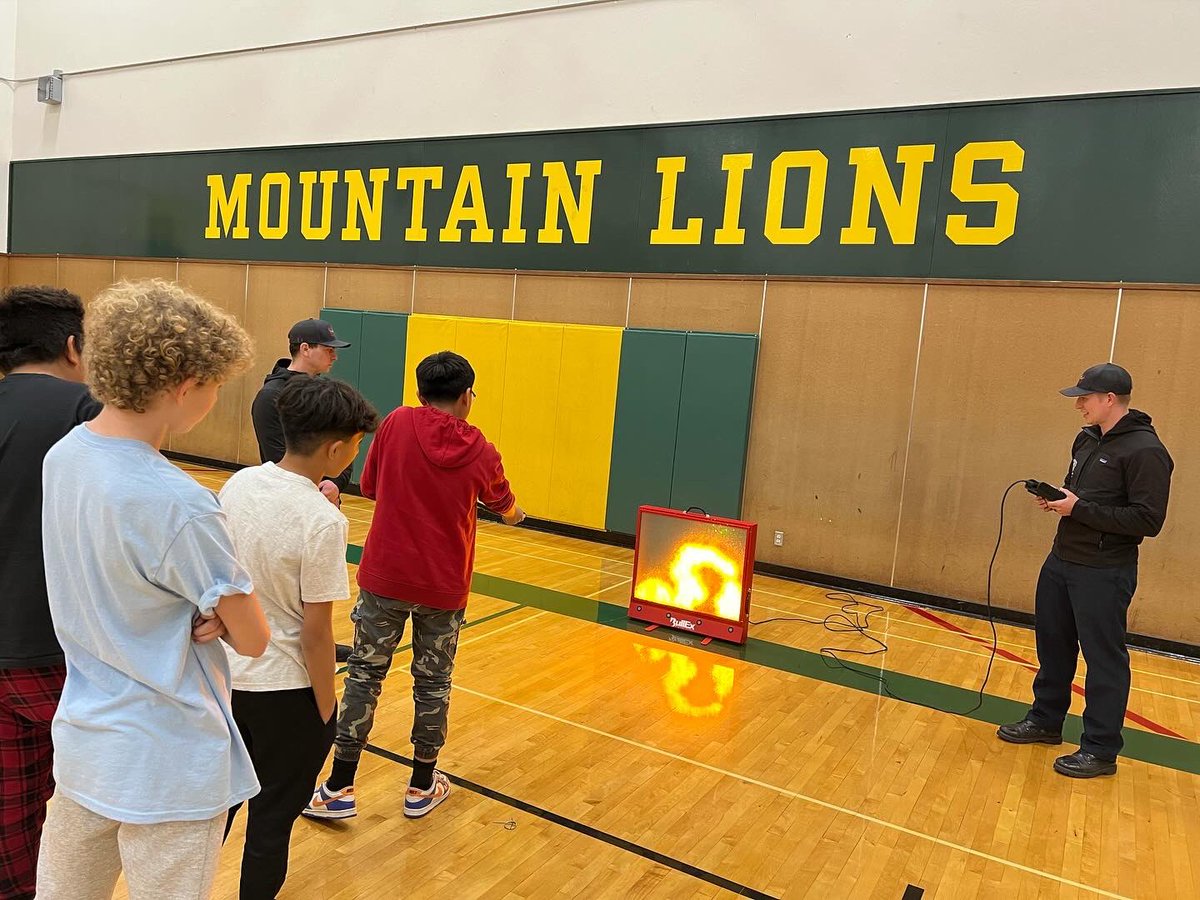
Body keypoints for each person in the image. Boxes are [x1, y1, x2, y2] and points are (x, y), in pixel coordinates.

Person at [36, 279, 270, 899]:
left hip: (86, 741)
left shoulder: (63, 456)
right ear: (184, 385)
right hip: (170, 761)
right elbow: (252, 638)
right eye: (215, 384)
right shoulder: (181, 503)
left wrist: (200, 605)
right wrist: (218, 610)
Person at [304, 351, 524, 821]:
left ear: (421, 393)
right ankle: (421, 785)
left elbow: (370, 486)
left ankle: (340, 786)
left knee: (364, 673)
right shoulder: (482, 450)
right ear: (467, 397)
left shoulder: (396, 424)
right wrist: (514, 514)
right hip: (443, 588)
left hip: (385, 576)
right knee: (433, 682)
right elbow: (503, 501)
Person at [219, 376, 377, 899]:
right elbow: (315, 632)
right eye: (357, 443)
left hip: (222, 678)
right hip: (285, 695)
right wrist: (327, 707)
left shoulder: (239, 484)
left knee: (210, 816)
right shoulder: (322, 521)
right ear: (336, 448)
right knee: (271, 824)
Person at [998, 363, 1172, 778]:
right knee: (1053, 646)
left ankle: (1099, 749)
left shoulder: (1145, 451)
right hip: (1062, 560)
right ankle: (1045, 720)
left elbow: (1148, 521)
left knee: (1104, 660)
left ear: (1109, 399)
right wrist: (1061, 500)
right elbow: (1083, 496)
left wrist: (1080, 509)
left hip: (1104, 571)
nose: (1078, 404)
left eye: (1085, 397)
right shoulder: (1086, 439)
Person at [0, 286, 102, 900]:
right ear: (72, 345)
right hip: (56, 650)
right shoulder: (86, 409)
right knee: (86, 803)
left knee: (11, 812)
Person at [250, 318, 353, 506]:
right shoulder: (270, 396)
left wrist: (335, 483)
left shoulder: (330, 393)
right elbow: (277, 457)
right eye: (328, 349)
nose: (334, 356)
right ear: (305, 349)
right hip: (285, 502)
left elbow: (346, 445)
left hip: (325, 504)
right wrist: (315, 487)